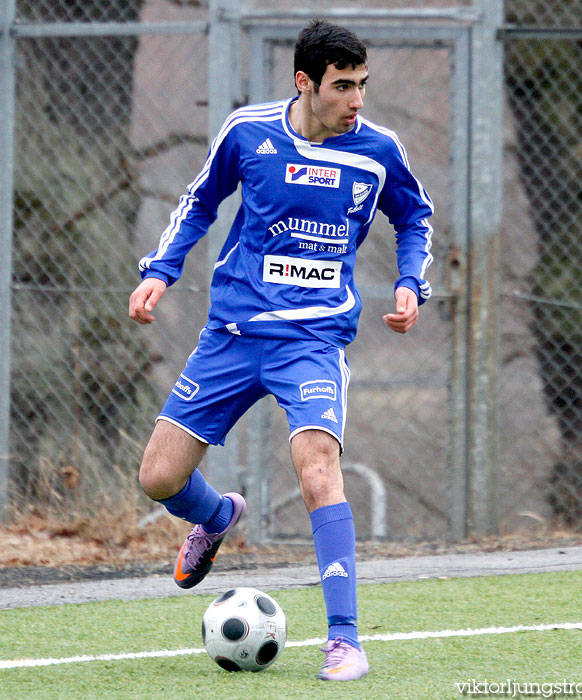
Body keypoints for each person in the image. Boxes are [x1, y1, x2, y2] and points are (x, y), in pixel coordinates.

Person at [129, 19, 433, 682]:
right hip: (234, 335)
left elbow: (414, 215)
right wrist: (161, 269)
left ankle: (346, 640)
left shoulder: (377, 150)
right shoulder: (249, 131)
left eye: (363, 85)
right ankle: (215, 517)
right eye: (343, 85)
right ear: (305, 82)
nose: (357, 99)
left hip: (314, 341)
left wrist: (411, 282)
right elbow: (199, 200)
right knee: (158, 477)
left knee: (318, 470)